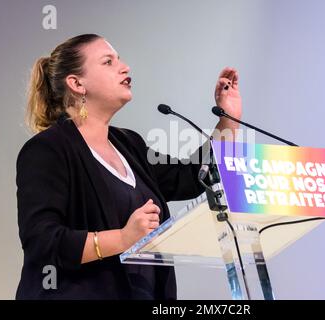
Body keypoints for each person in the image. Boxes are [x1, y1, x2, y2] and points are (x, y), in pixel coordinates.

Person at [16, 34, 242, 299]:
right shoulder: (48, 150)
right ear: (77, 84)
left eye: (119, 59)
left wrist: (229, 119)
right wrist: (122, 238)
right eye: (108, 62)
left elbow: (193, 177)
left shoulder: (129, 144)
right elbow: (43, 243)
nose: (124, 67)